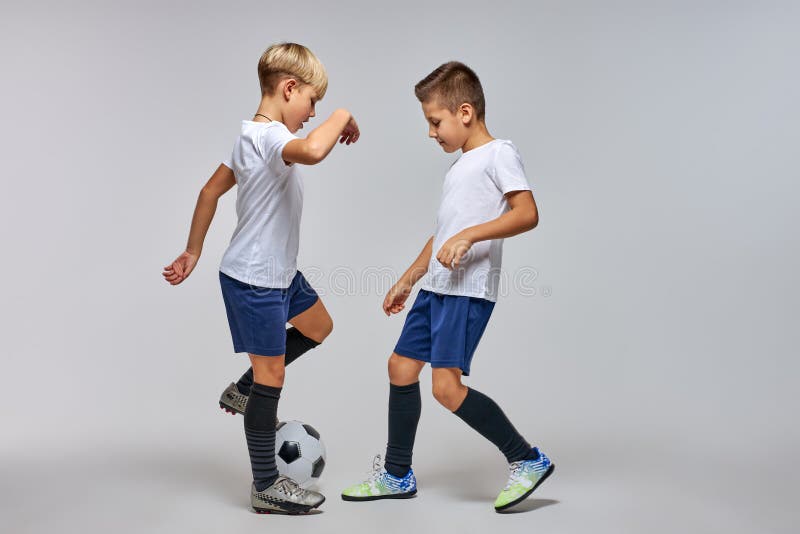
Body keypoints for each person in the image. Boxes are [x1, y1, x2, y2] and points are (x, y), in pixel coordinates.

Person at [340, 61, 552, 512]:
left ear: (465, 112)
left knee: (445, 389)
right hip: (436, 289)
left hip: (467, 290)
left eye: (435, 122)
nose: (431, 132)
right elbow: (442, 234)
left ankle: (527, 459)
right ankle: (397, 476)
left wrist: (471, 236)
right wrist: (407, 279)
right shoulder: (459, 168)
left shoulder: (499, 154)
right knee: (400, 367)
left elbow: (527, 212)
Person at [162, 42, 359, 514]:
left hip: (280, 274)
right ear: (289, 89)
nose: (315, 112)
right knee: (273, 377)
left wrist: (194, 251)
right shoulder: (269, 139)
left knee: (319, 328)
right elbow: (312, 150)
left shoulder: (248, 136)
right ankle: (266, 484)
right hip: (255, 281)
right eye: (313, 101)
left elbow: (210, 190)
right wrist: (344, 113)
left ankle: (245, 386)